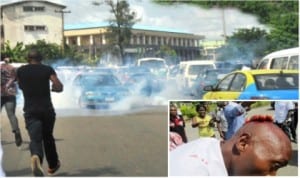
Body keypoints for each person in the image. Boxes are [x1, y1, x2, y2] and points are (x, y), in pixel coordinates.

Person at [169, 115, 292, 176]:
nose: (273, 176)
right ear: (243, 143)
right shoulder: (192, 171)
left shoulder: (211, 145)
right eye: (274, 166)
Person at [16, 49, 63, 176]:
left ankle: (36, 156)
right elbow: (59, 86)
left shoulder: (21, 70)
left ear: (28, 58)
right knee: (48, 137)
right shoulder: (47, 69)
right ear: (41, 58)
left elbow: (19, 85)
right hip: (47, 110)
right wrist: (54, 89)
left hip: (30, 110)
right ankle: (53, 165)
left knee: (35, 139)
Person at [0, 53, 23, 147]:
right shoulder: (13, 68)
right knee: (11, 115)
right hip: (10, 93)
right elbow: (17, 80)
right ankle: (16, 131)